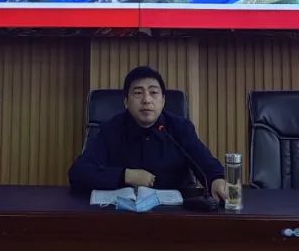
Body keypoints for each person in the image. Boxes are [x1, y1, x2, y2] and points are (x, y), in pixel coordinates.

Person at [68, 66, 228, 202]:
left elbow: (204, 162)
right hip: (123, 215)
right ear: (126, 102)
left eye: (153, 92)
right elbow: (79, 173)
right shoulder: (112, 129)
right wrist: (125, 175)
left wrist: (216, 180)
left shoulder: (180, 128)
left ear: (163, 101)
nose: (146, 100)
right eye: (138, 93)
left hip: (174, 214)